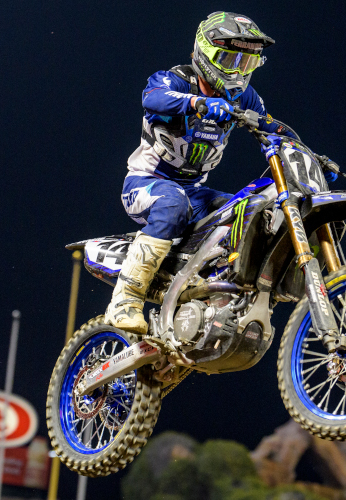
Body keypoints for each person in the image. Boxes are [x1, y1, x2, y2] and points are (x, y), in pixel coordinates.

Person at [106, 12, 326, 332]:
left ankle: (214, 300)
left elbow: (272, 129)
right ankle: (125, 299)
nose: (238, 71)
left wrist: (309, 156)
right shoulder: (174, 80)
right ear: (205, 54)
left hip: (194, 191)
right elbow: (153, 99)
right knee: (173, 205)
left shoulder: (244, 97)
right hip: (146, 183)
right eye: (230, 60)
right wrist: (198, 104)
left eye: (246, 63)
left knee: (247, 211)